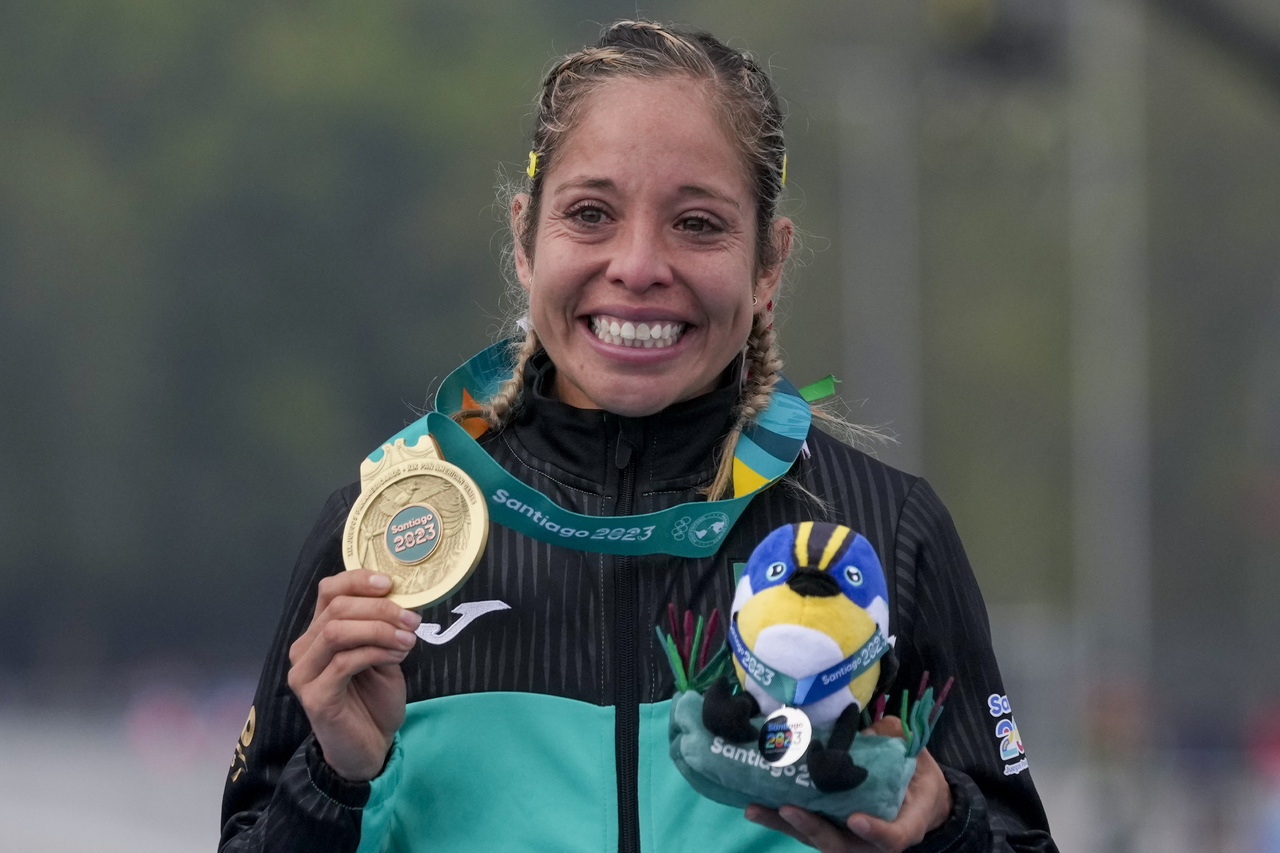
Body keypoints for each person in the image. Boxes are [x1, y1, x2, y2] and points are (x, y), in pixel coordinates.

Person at [219, 20, 1057, 853]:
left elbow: (1014, 839)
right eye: (591, 213)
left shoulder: (883, 531)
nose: (639, 264)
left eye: (697, 224)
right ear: (524, 239)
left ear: (769, 262)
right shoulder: (387, 534)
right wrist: (335, 780)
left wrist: (945, 834)